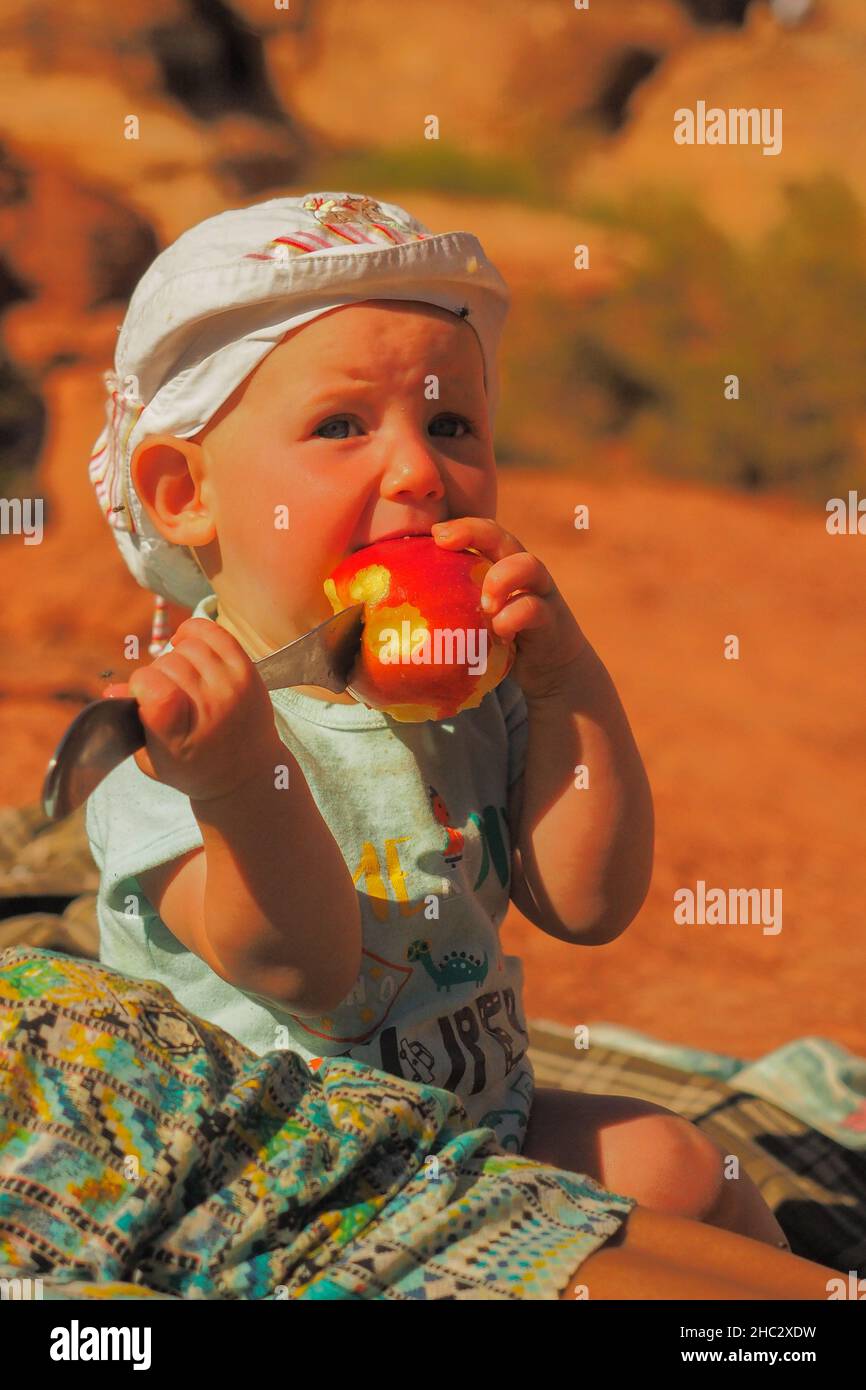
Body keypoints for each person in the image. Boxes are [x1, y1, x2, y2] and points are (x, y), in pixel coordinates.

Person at [83, 191, 789, 1293]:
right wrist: (234, 780)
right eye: (342, 426)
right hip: (286, 1184)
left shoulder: (468, 694)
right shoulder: (175, 738)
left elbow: (587, 902)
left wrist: (568, 683)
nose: (419, 471)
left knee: (687, 1166)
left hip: (471, 1126)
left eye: (449, 423)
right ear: (184, 494)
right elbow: (305, 972)